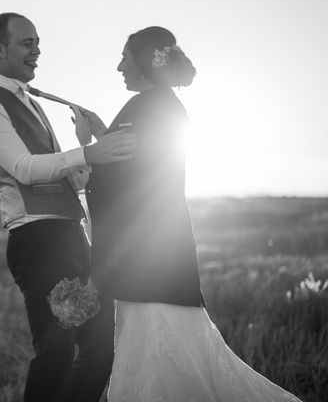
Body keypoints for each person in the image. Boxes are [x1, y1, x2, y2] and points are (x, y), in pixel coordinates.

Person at [73, 26, 302, 401]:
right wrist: (103, 135)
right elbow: (139, 165)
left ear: (146, 63)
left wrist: (85, 148)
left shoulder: (151, 106)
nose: (119, 67)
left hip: (147, 260)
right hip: (156, 255)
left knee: (162, 356)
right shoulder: (161, 104)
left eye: (125, 58)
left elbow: (131, 181)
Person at [0, 12, 136, 402]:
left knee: (101, 350)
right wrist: (90, 150)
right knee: (56, 352)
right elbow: (24, 170)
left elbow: (68, 180)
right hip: (38, 241)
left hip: (71, 238)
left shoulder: (33, 102)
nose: (37, 51)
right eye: (27, 43)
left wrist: (84, 152)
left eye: (38, 42)